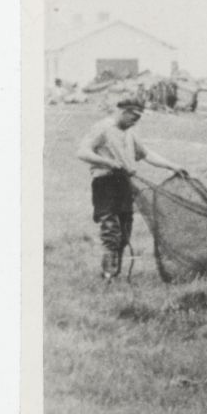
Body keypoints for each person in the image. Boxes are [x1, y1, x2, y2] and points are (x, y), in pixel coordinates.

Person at [77, 97, 186, 279]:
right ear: (122, 111)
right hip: (105, 183)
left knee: (125, 231)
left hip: (125, 184)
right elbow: (82, 151)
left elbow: (145, 154)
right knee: (111, 230)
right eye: (133, 116)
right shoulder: (103, 128)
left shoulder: (130, 132)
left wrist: (172, 165)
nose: (136, 120)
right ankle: (108, 276)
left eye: (139, 117)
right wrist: (108, 162)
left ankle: (114, 272)